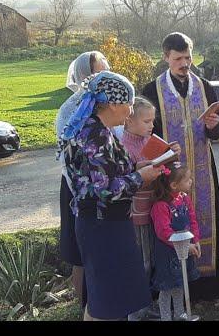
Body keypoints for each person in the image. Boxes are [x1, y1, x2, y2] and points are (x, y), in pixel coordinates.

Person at [60, 71, 162, 320]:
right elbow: (104, 190)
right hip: (101, 226)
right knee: (107, 302)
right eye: (128, 103)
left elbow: (109, 172)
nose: (130, 110)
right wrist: (141, 178)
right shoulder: (93, 135)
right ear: (113, 104)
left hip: (108, 223)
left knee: (108, 298)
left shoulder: (100, 129)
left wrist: (138, 167)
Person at [142, 32, 219, 301]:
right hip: (169, 174)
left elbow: (218, 130)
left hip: (203, 170)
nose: (184, 63)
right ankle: (175, 287)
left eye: (188, 57)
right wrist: (165, 151)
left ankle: (207, 284)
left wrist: (215, 127)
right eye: (178, 58)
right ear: (166, 57)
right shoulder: (151, 90)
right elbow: (146, 137)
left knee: (207, 219)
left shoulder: (204, 86)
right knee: (171, 223)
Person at [55, 51, 110, 309]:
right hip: (78, 189)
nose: (103, 77)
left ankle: (103, 303)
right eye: (97, 73)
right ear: (83, 77)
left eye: (105, 71)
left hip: (107, 187)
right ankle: (83, 305)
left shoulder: (109, 103)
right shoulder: (69, 110)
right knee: (80, 253)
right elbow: (70, 156)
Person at [121, 96, 181, 320]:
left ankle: (145, 304)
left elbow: (165, 165)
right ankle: (134, 312)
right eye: (146, 121)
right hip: (138, 213)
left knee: (154, 261)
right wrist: (139, 170)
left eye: (152, 121)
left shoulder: (149, 139)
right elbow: (125, 180)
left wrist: (171, 154)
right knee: (142, 262)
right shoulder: (123, 146)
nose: (151, 126)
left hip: (156, 209)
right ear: (128, 121)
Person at [150, 162, 201, 321]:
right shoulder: (161, 206)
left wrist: (196, 239)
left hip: (184, 250)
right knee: (167, 288)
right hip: (168, 254)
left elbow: (192, 219)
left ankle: (180, 315)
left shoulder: (184, 199)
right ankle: (166, 317)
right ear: (173, 185)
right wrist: (185, 245)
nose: (191, 182)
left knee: (180, 284)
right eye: (187, 180)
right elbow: (163, 232)